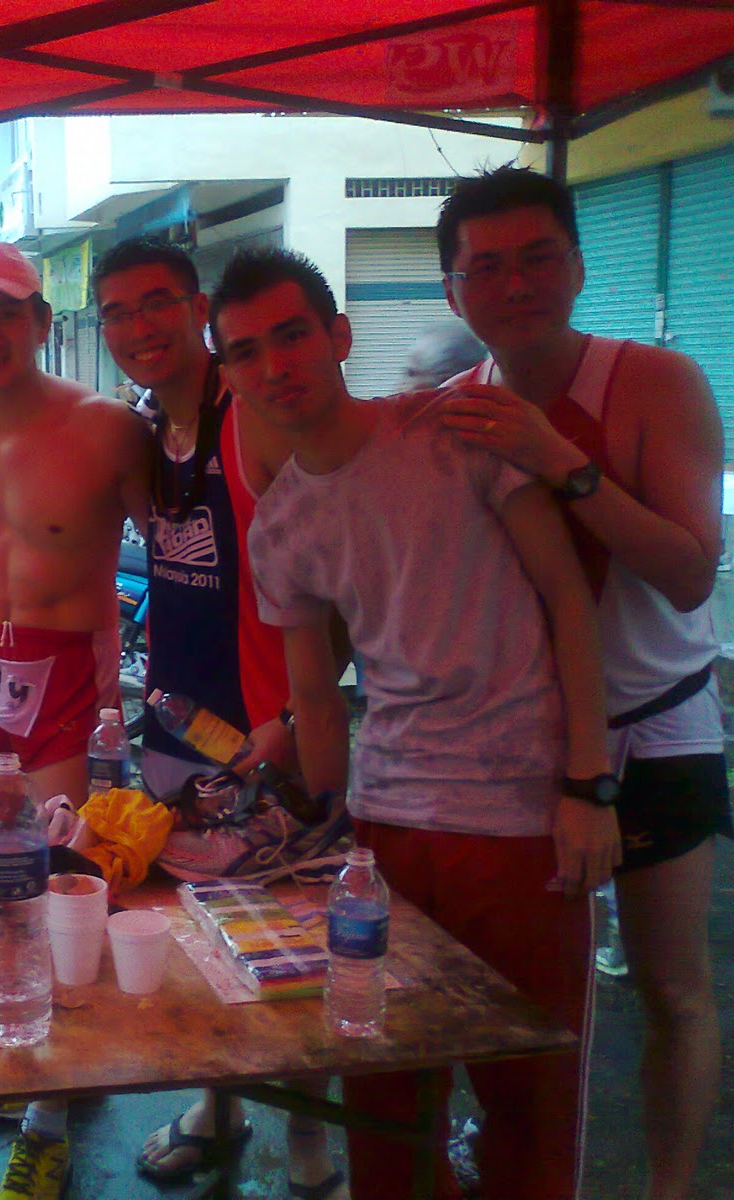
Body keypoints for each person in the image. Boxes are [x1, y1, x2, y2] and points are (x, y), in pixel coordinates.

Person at [222, 246, 617, 1200]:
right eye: (245, 352)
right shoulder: (280, 525)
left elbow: (569, 599)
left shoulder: (453, 432)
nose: (275, 366)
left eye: (292, 335)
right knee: (386, 1102)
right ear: (228, 376)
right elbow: (316, 699)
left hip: (520, 820)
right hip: (385, 833)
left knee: (530, 1102)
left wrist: (589, 787)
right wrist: (314, 837)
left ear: (339, 336)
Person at [436, 165, 730, 1200]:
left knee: (671, 988)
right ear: (452, 292)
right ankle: (507, 1155)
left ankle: (670, 1188)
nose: (514, 285)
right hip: (520, 740)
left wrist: (560, 459)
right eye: (485, 268)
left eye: (537, 258)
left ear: (577, 266)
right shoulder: (452, 413)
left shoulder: (655, 383)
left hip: (656, 722)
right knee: (505, 984)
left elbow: (689, 574)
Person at [93, 236, 347, 1200]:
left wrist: (292, 715)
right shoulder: (146, 434)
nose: (139, 326)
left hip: (274, 729)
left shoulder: (258, 416)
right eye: (117, 312)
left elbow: (343, 586)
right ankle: (220, 1106)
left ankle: (311, 1136)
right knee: (202, 933)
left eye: (157, 302)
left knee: (296, 938)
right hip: (176, 727)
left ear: (197, 308)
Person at [0, 239, 148, 1200]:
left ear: (41, 322)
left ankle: (49, 1116)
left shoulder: (106, 426)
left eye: (5, 313)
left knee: (53, 877)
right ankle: (6, 1040)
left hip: (64, 668)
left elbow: (184, 547)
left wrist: (123, 689)